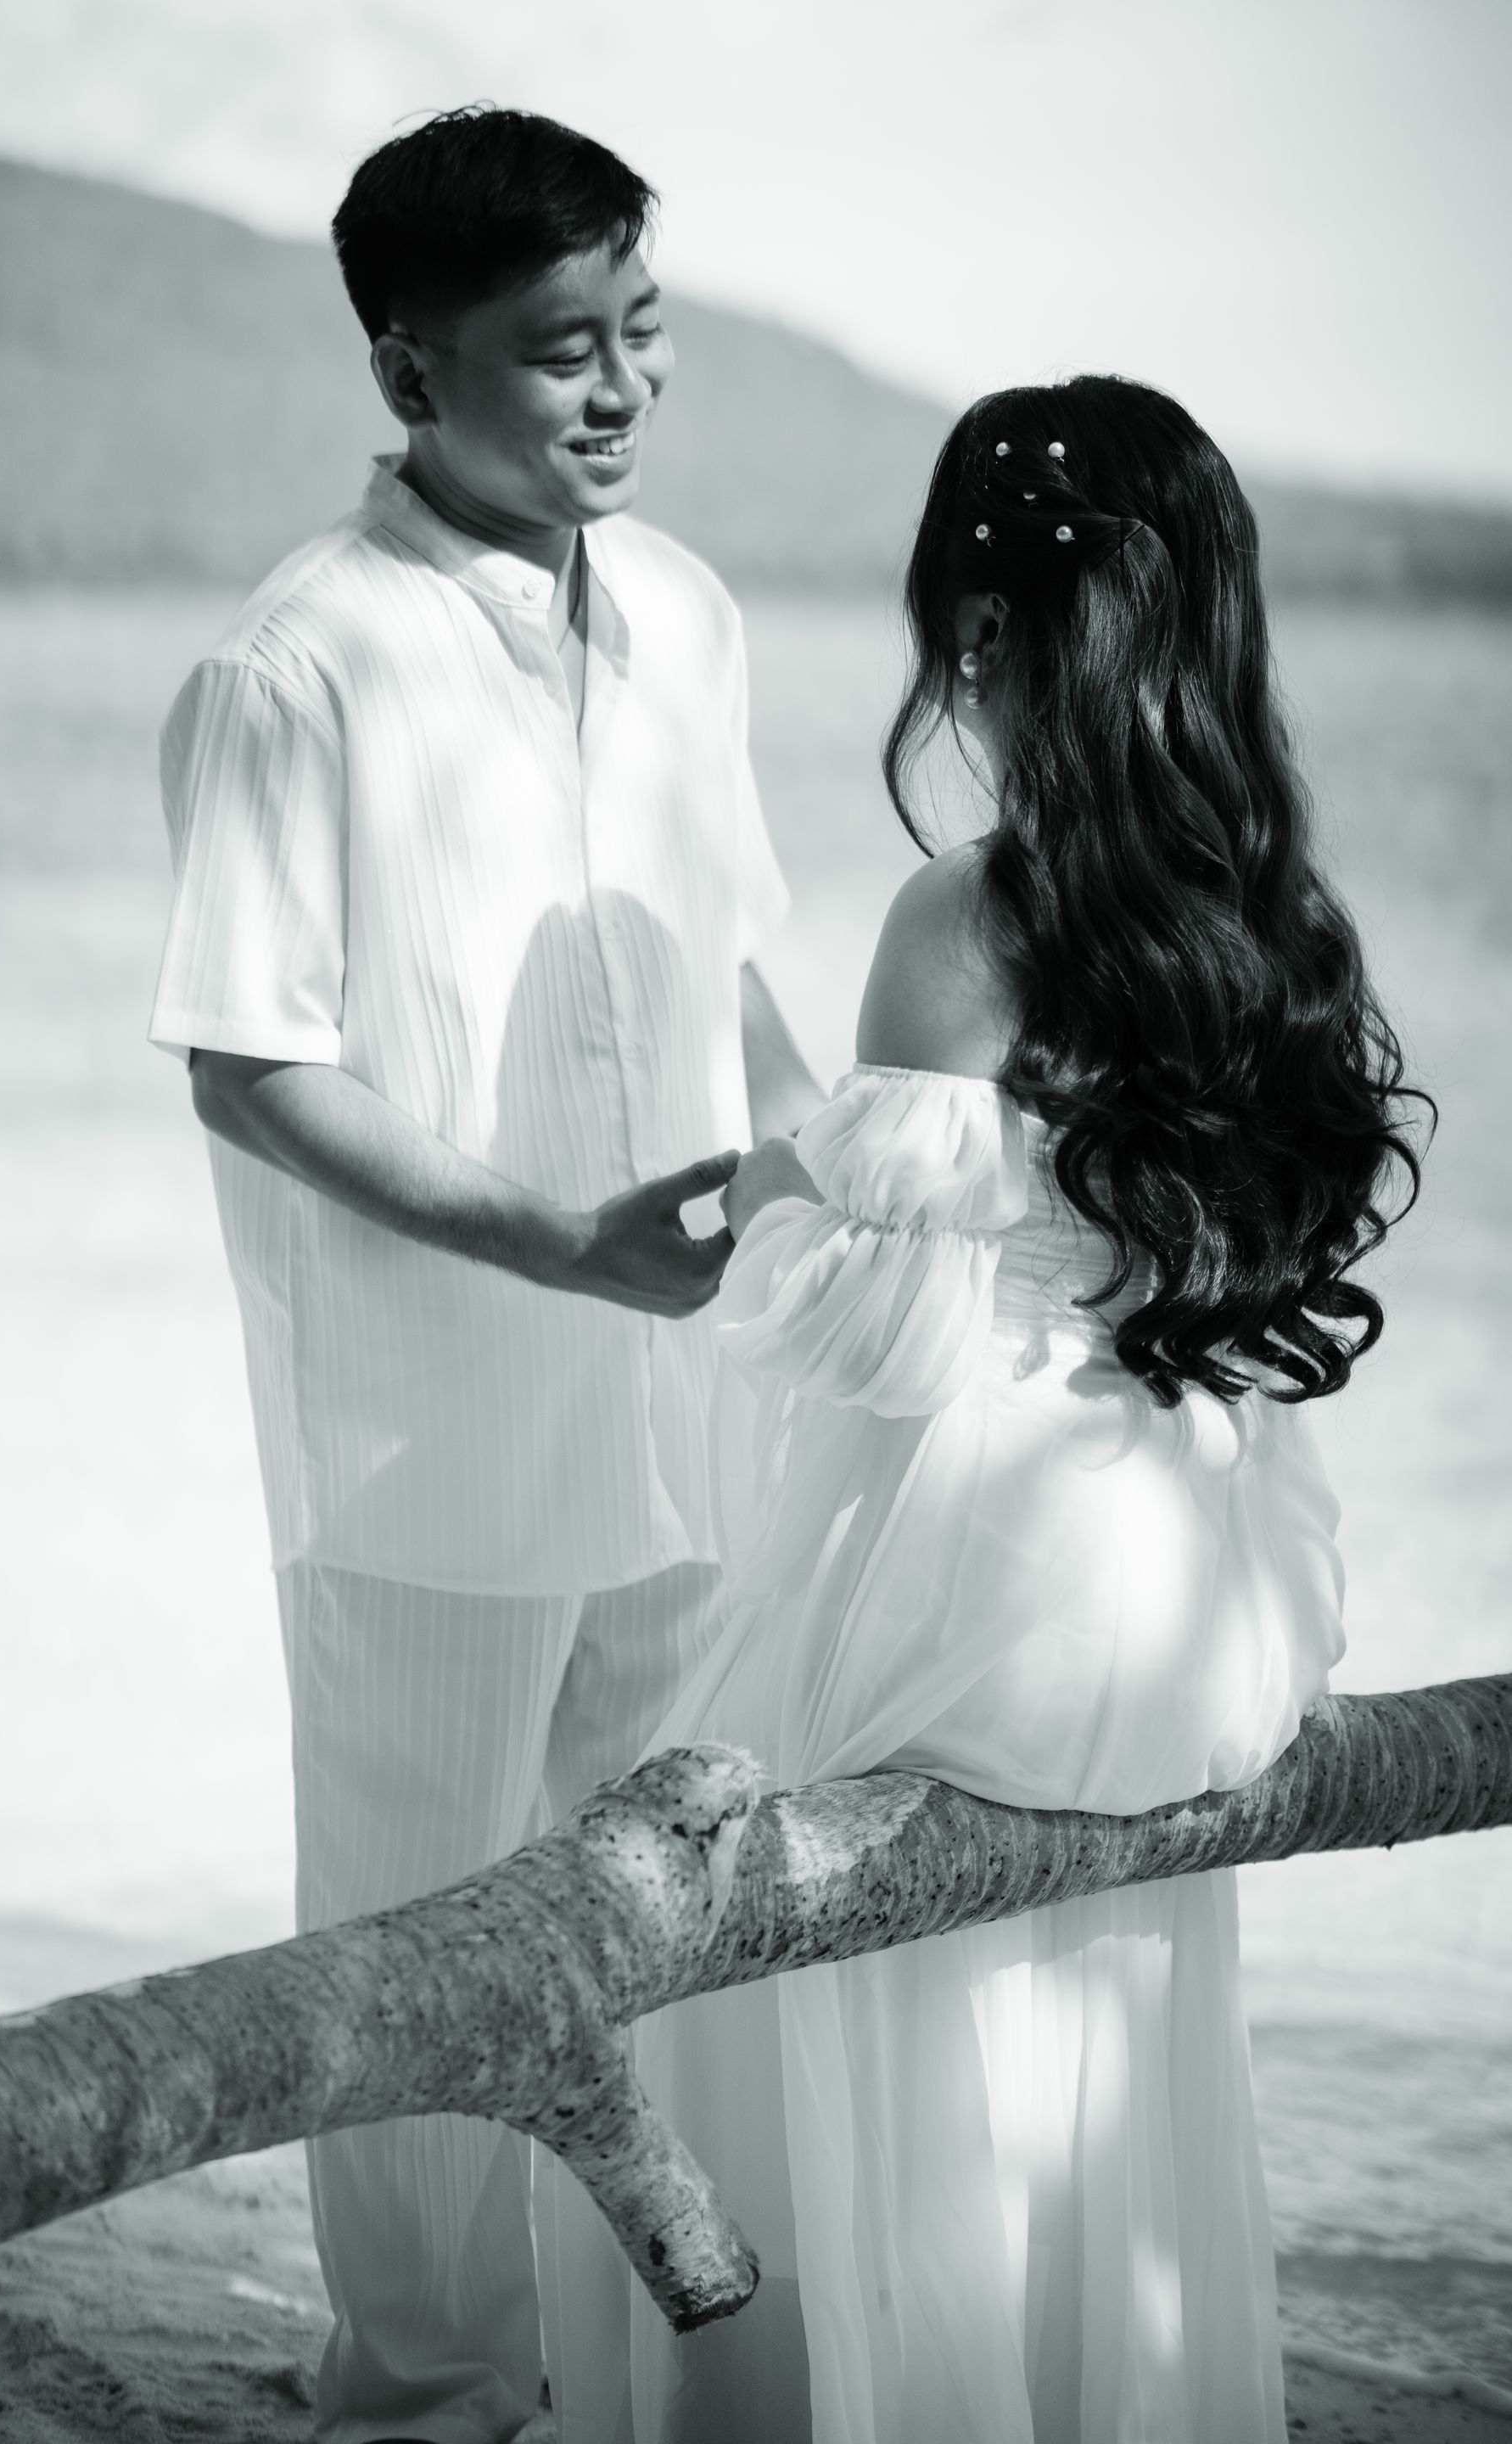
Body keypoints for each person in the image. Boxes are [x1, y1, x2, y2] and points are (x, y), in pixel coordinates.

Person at [592, 375, 1428, 2444]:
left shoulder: (972, 913)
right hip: (1199, 1596)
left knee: (751, 1888)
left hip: (997, 1587)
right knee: (1094, 1993)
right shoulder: (1272, 920)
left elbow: (877, 1328)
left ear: (981, 625)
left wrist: (765, 1156)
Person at [148, 105, 820, 2444]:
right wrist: (557, 1247)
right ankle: (424, 2392)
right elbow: (250, 1068)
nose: (623, 387)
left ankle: (611, 2365)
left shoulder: (695, 615)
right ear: (409, 367)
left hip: (692, 1402)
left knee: (669, 1912)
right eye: (561, 347)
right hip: (425, 1437)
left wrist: (847, 1220)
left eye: (646, 328)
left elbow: (740, 975)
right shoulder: (298, 664)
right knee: (417, 1943)